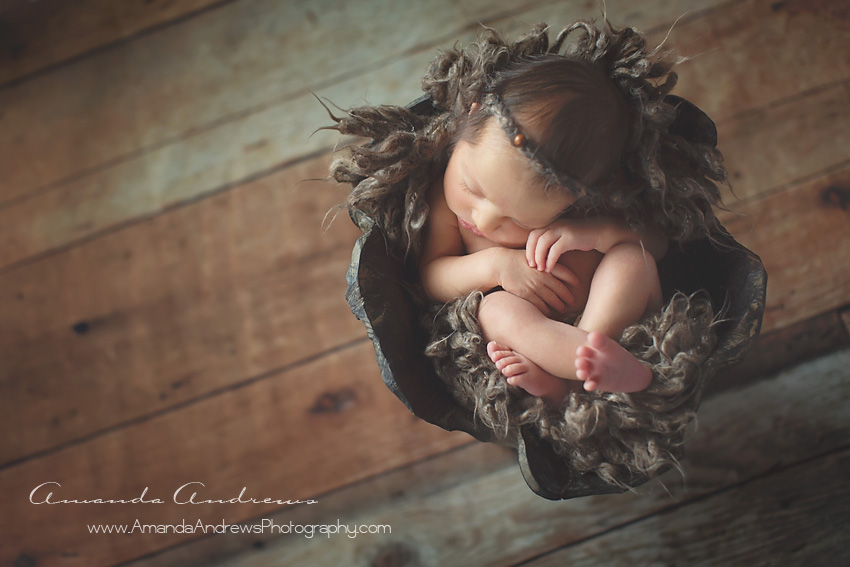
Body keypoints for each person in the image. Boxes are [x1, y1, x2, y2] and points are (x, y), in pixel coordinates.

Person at [418, 56, 669, 404]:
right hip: (535, 332)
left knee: (634, 260)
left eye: (521, 221)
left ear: (575, 199)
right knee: (494, 311)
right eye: (473, 188)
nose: (484, 221)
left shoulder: (586, 209)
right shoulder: (443, 202)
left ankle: (583, 366)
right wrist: (495, 266)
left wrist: (599, 233)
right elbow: (431, 276)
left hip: (609, 316)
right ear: (471, 116)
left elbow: (658, 245)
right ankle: (570, 378)